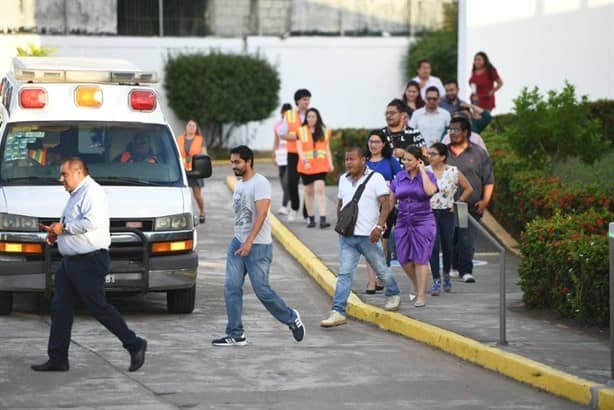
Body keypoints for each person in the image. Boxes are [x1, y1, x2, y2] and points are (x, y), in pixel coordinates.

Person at [31, 158, 147, 372]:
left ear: (78, 172)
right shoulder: (76, 194)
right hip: (71, 262)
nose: (61, 179)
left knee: (98, 307)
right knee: (60, 308)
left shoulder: (92, 192)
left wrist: (63, 229)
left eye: (64, 174)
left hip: (89, 260)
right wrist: (56, 236)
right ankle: (58, 358)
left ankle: (134, 344)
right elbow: (73, 224)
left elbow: (90, 222)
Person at [212, 145, 305, 346]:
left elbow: (262, 213)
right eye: (232, 162)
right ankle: (236, 333)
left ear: (249, 162)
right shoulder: (240, 184)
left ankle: (291, 317)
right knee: (231, 287)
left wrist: (249, 242)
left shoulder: (260, 183)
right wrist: (241, 240)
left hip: (258, 246)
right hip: (238, 242)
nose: (233, 166)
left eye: (237, 162)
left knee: (262, 290)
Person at [320, 147, 401, 327]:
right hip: (348, 237)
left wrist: (379, 226)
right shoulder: (343, 179)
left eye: (352, 159)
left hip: (369, 235)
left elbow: (386, 205)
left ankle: (393, 293)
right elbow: (341, 203)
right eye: (347, 159)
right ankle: (338, 311)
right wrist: (341, 224)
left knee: (381, 269)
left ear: (363, 160)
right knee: (344, 274)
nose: (349, 162)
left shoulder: (376, 178)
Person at [446, 117, 494, 283]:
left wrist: (485, 201)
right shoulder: (443, 152)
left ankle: (466, 271)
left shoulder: (479, 153)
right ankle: (452, 266)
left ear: (466, 132)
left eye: (456, 130)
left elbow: (488, 180)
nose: (452, 133)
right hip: (448, 205)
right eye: (450, 130)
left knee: (466, 238)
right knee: (452, 237)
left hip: (470, 205)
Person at [390, 146, 438, 308]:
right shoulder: (399, 177)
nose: (405, 163)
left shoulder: (429, 176)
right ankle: (417, 284)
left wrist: (422, 171)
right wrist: (382, 220)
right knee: (403, 258)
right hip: (403, 219)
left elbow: (430, 191)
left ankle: (421, 295)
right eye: (404, 159)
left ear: (418, 161)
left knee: (421, 258)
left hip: (423, 220)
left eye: (409, 160)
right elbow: (391, 198)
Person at [426, 143, 473, 295]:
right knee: (432, 247)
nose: (430, 156)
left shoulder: (452, 171)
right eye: (429, 153)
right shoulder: (425, 171)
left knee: (447, 246)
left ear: (443, 157)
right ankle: (435, 280)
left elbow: (468, 188)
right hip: (429, 212)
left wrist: (457, 202)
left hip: (447, 212)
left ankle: (446, 275)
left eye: (433, 154)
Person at [364, 129, 402, 293]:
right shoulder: (364, 161)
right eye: (371, 142)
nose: (373, 145)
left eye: (377, 142)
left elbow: (400, 179)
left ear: (384, 144)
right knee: (368, 241)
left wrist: (392, 199)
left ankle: (381, 277)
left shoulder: (390, 161)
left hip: (387, 204)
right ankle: (371, 281)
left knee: (383, 243)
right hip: (367, 205)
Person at [297, 108, 334, 228]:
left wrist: (330, 163)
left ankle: (323, 218)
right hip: (306, 166)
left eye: (313, 116)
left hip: (321, 165)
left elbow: (327, 149)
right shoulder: (300, 131)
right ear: (306, 118)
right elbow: (300, 150)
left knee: (319, 189)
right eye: (309, 117)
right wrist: (305, 161)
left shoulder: (325, 130)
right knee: (308, 192)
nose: (311, 119)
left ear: (317, 118)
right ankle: (311, 218)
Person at [278, 89, 311, 221]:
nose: (306, 102)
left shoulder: (312, 114)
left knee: (308, 184)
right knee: (292, 182)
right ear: (297, 101)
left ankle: (308, 214)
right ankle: (294, 208)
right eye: (304, 99)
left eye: (308, 99)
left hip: (308, 154)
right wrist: (298, 136)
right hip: (293, 153)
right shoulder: (289, 115)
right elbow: (282, 133)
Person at [177, 120, 207, 223]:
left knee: (197, 195)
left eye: (193, 125)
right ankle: (182, 215)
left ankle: (202, 211)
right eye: (189, 125)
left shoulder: (200, 139)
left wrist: (203, 168)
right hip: (182, 170)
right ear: (186, 127)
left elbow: (204, 155)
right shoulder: (179, 139)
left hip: (195, 171)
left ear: (196, 128)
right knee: (181, 195)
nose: (191, 127)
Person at [272, 103, 293, 216]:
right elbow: (276, 141)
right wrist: (274, 155)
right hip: (280, 155)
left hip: (290, 154)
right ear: (281, 113)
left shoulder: (294, 126)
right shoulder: (277, 126)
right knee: (282, 178)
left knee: (286, 181)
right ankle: (289, 197)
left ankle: (284, 205)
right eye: (284, 113)